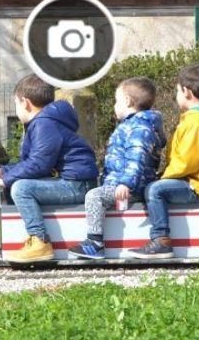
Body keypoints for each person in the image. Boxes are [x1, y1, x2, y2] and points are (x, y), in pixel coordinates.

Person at [128, 63, 199, 259]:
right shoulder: (196, 118)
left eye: (177, 90)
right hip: (195, 180)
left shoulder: (197, 120)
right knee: (155, 187)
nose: (176, 95)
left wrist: (164, 176)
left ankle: (160, 239)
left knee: (155, 190)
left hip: (198, 184)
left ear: (187, 92)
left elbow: (188, 160)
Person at [0, 74, 99, 264]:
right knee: (20, 184)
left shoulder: (44, 124)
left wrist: (6, 179)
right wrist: (5, 171)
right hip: (75, 181)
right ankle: (33, 239)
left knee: (21, 188)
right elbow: (33, 161)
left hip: (77, 184)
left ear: (25, 103)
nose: (16, 110)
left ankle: (40, 241)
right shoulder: (45, 122)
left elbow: (39, 164)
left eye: (16, 104)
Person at [67, 77, 165, 260]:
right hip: (124, 183)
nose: (114, 106)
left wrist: (125, 184)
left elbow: (137, 158)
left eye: (116, 101)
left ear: (128, 102)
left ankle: (95, 243)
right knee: (96, 192)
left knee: (94, 195)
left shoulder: (138, 128)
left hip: (132, 186)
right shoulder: (132, 126)